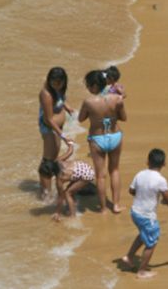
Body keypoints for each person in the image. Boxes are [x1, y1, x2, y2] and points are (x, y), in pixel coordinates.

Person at [120, 149, 168, 279]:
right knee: (152, 242)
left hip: (135, 212)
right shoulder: (160, 180)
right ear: (164, 163)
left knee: (143, 235)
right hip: (147, 216)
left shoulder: (140, 174)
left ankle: (128, 257)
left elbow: (131, 190)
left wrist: (141, 194)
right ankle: (142, 271)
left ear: (147, 162)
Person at [78, 70, 127, 213]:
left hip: (97, 139)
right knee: (115, 170)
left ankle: (104, 208)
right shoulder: (117, 99)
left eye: (88, 85)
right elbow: (123, 118)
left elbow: (81, 119)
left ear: (94, 86)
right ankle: (116, 205)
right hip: (115, 136)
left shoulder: (88, 102)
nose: (87, 88)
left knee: (100, 176)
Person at [37, 67, 74, 200]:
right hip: (49, 128)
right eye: (54, 82)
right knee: (47, 162)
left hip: (56, 127)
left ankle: (46, 188)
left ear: (64, 81)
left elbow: (59, 97)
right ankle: (45, 195)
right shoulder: (46, 94)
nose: (56, 84)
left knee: (53, 158)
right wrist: (63, 136)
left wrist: (66, 105)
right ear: (49, 80)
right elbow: (48, 119)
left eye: (59, 82)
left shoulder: (57, 89)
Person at [51, 139, 95, 221]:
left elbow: (60, 197)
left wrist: (57, 212)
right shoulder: (58, 160)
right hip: (86, 167)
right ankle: (72, 206)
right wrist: (70, 143)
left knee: (67, 193)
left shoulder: (59, 179)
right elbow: (70, 151)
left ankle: (73, 216)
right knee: (70, 189)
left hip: (86, 175)